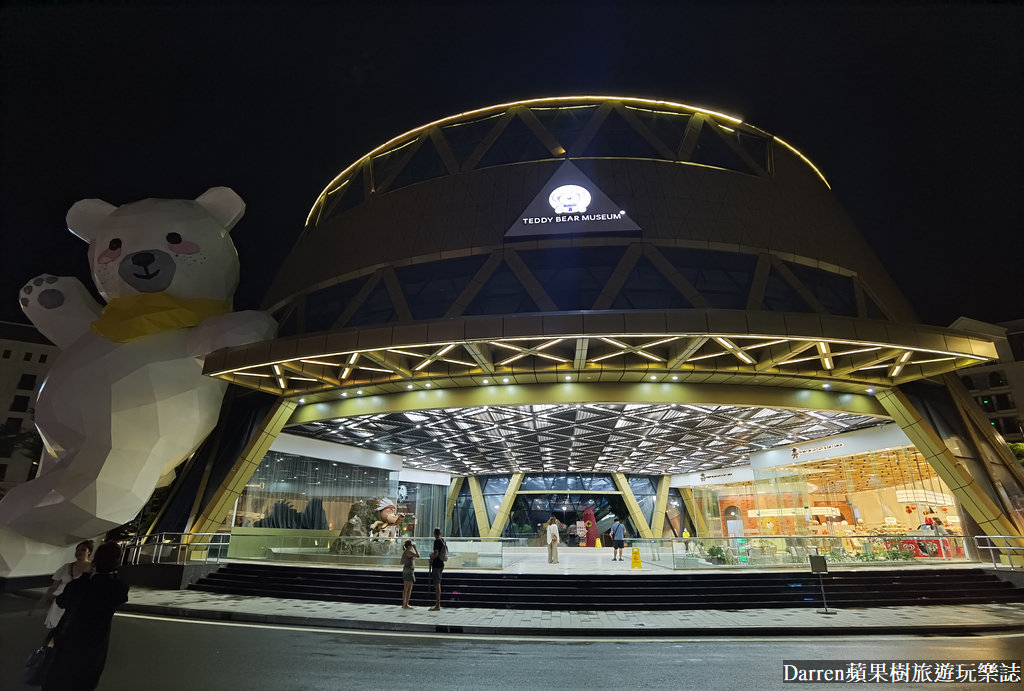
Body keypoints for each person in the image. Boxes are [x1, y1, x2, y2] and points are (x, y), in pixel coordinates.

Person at [43, 541, 129, 691]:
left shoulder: (80, 585)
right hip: (96, 643)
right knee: (85, 680)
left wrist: (85, 575)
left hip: (69, 638)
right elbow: (120, 596)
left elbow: (62, 601)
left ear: (95, 560)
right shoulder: (119, 588)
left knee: (58, 678)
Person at [40, 540, 94, 630]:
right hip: (61, 604)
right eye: (77, 550)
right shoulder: (66, 567)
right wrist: (42, 601)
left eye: (83, 550)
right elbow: (53, 587)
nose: (79, 552)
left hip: (80, 606)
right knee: (55, 632)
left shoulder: (92, 568)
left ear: (89, 552)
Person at [428, 527, 446, 611]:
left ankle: (437, 605)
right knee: (438, 583)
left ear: (434, 534)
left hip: (436, 564)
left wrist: (431, 555)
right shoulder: (442, 540)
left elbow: (436, 554)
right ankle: (438, 604)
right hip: (441, 564)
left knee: (437, 584)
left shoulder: (436, 541)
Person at [400, 539, 419, 609]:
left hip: (405, 570)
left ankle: (404, 604)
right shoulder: (409, 552)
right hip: (409, 570)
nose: (412, 546)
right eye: (411, 545)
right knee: (409, 588)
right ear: (409, 546)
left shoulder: (405, 552)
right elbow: (418, 555)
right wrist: (415, 548)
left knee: (405, 588)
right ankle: (406, 604)